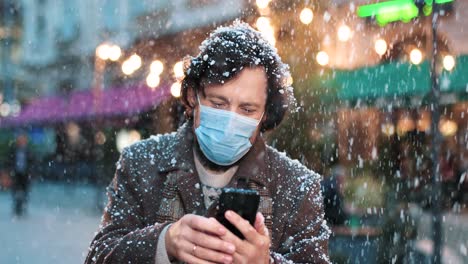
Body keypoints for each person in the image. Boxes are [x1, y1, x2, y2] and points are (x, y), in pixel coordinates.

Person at [85, 21, 330, 264]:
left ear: (265, 114)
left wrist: (265, 263)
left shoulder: (297, 186)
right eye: (218, 104)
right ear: (193, 96)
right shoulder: (141, 163)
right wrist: (164, 242)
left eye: (247, 109)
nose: (231, 120)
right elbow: (99, 255)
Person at [8, 133, 32, 217]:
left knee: (25, 192)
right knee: (16, 192)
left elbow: (33, 163)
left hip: (25, 174)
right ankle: (17, 208)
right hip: (16, 174)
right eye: (20, 140)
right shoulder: (13, 150)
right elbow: (9, 162)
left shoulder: (28, 151)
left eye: (23, 140)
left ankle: (23, 208)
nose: (22, 142)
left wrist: (31, 172)